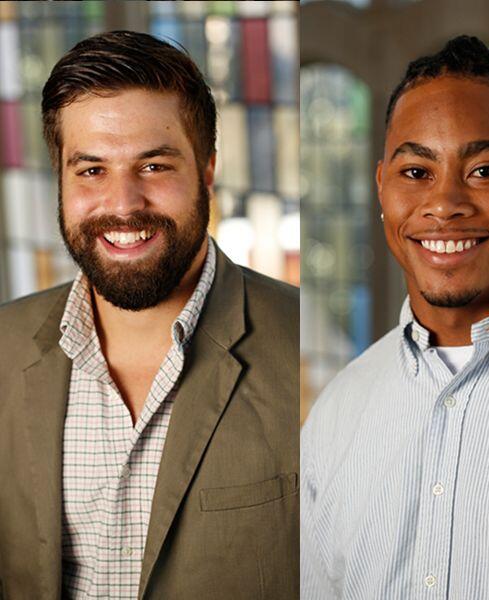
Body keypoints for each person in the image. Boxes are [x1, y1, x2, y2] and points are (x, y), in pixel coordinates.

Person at [0, 31, 298, 599]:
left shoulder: (300, 349)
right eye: (91, 171)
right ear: (60, 180)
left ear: (207, 171)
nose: (123, 203)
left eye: (155, 166)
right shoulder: (1, 349)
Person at [301, 35, 489, 599]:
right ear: (381, 188)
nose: (444, 204)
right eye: (416, 172)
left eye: (485, 170)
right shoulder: (338, 413)